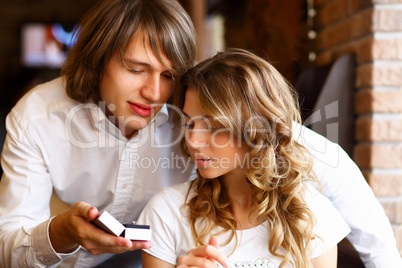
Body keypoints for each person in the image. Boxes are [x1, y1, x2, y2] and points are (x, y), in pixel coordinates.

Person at [138, 49, 402, 268]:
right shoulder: (166, 212)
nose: (193, 141)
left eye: (214, 127)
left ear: (256, 129)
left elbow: (376, 240)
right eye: (189, 123)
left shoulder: (312, 215)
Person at [0, 0, 196, 267]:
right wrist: (61, 233)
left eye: (168, 75)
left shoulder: (191, 118)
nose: (155, 93)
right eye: (137, 69)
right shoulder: (38, 116)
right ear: (97, 57)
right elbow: (7, 249)